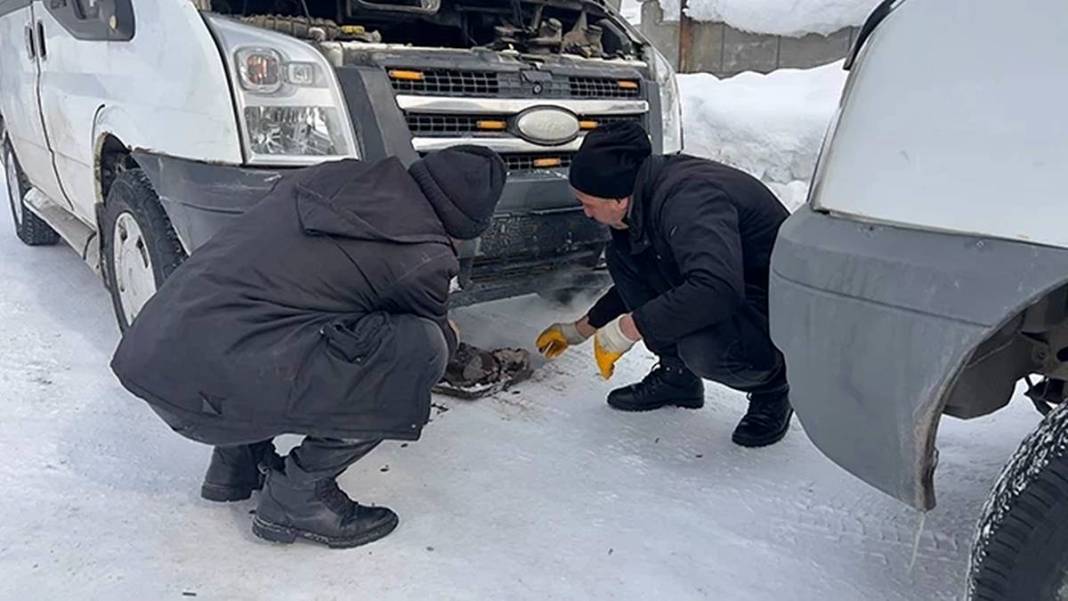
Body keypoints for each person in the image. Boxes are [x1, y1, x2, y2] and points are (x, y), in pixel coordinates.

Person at [111, 146, 506, 548]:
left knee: (286, 312)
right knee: (422, 348)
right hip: (208, 398)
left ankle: (236, 463)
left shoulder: (336, 178)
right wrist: (452, 333)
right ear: (469, 222)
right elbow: (426, 334)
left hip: (157, 359)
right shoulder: (423, 256)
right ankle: (299, 495)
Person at [535, 122, 793, 447]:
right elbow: (647, 277)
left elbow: (716, 289)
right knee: (623, 254)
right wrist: (580, 329)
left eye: (588, 203)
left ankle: (774, 386)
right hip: (733, 290)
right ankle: (678, 377)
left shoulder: (690, 200)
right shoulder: (646, 194)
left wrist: (629, 328)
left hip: (779, 313)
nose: (585, 213)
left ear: (617, 199)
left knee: (704, 348)